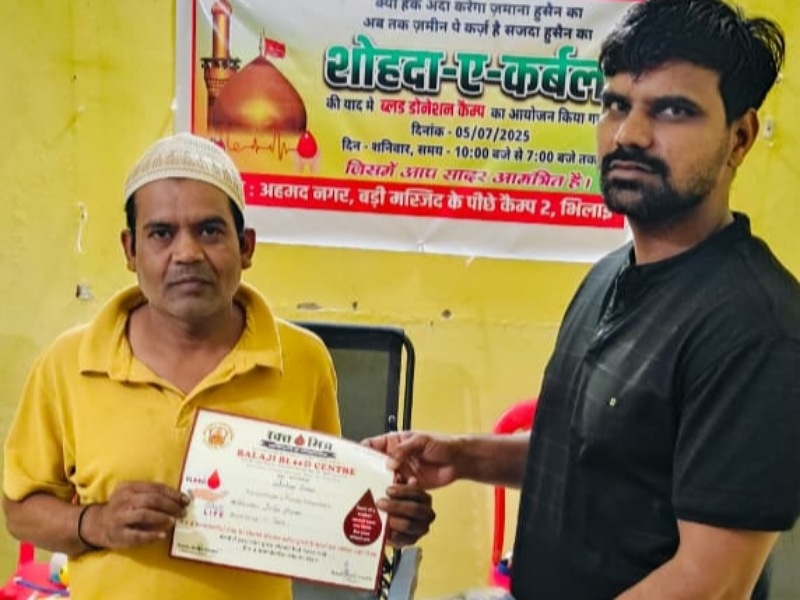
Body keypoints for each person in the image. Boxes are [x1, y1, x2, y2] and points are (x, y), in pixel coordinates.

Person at [365, 1, 800, 598]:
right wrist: (462, 456)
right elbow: (596, 453)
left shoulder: (755, 329)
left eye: (673, 110)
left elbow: (708, 583)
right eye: (616, 104)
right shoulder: (608, 275)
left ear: (740, 138)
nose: (628, 134)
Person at [2, 133, 434, 600]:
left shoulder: (303, 360)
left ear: (246, 246)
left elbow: (321, 511)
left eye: (209, 230)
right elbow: (19, 510)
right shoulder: (69, 363)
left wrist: (388, 521)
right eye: (161, 233)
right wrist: (95, 523)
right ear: (130, 251)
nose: (187, 253)